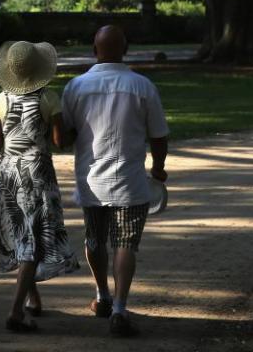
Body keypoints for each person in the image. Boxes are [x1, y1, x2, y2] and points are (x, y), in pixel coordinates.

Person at [60, 25, 169, 337]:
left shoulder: (75, 86)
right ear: (126, 49)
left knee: (95, 238)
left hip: (90, 178)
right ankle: (120, 308)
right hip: (130, 180)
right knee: (125, 244)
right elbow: (159, 135)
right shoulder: (142, 86)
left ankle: (101, 295)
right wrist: (159, 168)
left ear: (94, 50)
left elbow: (65, 135)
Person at [0, 40, 79, 333]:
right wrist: (75, 130)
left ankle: (33, 299)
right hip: (38, 175)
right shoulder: (49, 98)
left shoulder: (0, 100)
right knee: (32, 240)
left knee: (21, 233)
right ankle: (16, 312)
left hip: (9, 175)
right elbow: (59, 141)